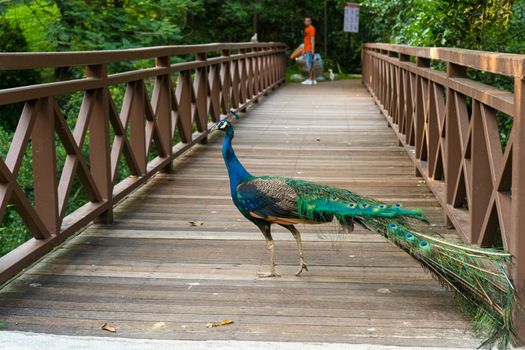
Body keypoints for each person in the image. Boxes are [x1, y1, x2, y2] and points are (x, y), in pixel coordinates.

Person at [301, 17, 316, 85]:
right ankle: (312, 79)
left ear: (310, 22)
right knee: (310, 64)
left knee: (309, 65)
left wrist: (312, 49)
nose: (305, 22)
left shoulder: (311, 28)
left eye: (307, 21)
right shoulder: (306, 29)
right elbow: (305, 40)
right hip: (306, 48)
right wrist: (304, 49)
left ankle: (309, 79)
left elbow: (312, 39)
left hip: (310, 49)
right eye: (305, 21)